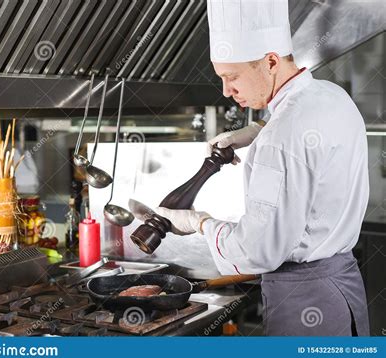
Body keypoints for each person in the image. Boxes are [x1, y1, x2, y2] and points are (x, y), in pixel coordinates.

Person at [156, 0, 369, 336]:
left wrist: (200, 223)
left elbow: (258, 251)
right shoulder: (331, 95)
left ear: (270, 61)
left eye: (232, 77)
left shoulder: (281, 139)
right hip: (342, 290)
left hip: (305, 302)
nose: (226, 91)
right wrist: (257, 130)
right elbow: (299, 126)